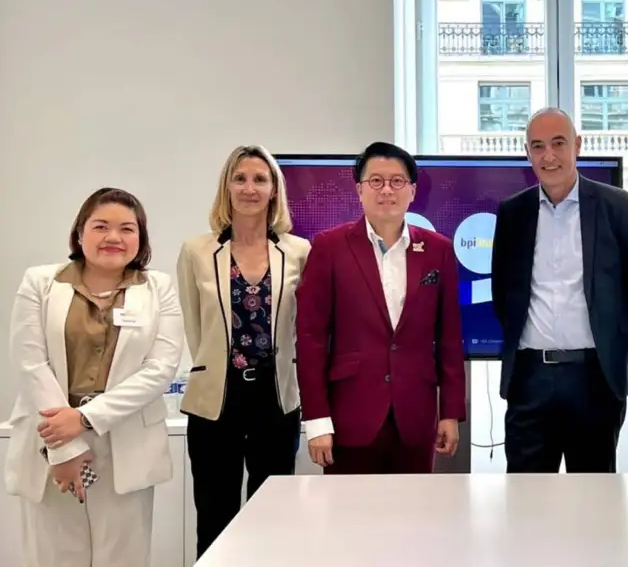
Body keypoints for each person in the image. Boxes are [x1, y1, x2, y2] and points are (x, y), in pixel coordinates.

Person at [4, 187, 183, 567]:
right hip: (50, 439)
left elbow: (160, 368)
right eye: (101, 226)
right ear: (80, 232)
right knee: (54, 558)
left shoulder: (159, 288)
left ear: (141, 237)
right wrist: (65, 445)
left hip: (124, 440)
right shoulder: (41, 282)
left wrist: (85, 418)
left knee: (123, 558)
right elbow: (30, 361)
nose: (113, 237)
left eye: (127, 228)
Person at [491, 107, 628, 473]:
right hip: (530, 379)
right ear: (527, 152)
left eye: (558, 143)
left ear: (577, 145)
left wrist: (618, 355)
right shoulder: (513, 212)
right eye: (538, 146)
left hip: (594, 379)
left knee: (594, 495)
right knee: (526, 495)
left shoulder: (617, 206)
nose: (548, 155)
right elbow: (504, 294)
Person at [295, 141, 465, 474]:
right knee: (348, 507)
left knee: (414, 506)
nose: (387, 190)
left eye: (397, 181)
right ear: (359, 190)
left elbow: (449, 338)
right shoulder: (329, 247)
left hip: (415, 417)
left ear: (412, 191)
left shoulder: (438, 250)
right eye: (376, 181)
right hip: (349, 417)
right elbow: (311, 338)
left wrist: (450, 412)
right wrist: (316, 419)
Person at [176, 145, 311, 557]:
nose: (249, 188)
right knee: (215, 516)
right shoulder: (197, 251)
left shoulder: (299, 251)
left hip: (276, 397)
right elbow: (195, 327)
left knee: (273, 518)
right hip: (216, 400)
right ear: (227, 188)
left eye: (260, 179)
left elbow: (303, 327)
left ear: (274, 190)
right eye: (240, 179)